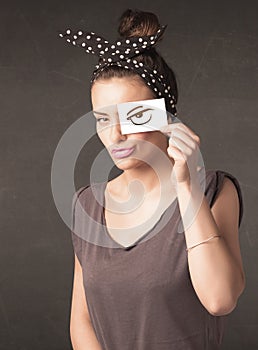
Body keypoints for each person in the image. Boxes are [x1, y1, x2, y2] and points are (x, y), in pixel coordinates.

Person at [59, 9, 245, 350]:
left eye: (133, 117)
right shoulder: (86, 204)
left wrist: (188, 188)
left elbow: (220, 299)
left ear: (167, 116)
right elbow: (82, 322)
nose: (114, 135)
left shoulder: (215, 191)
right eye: (102, 119)